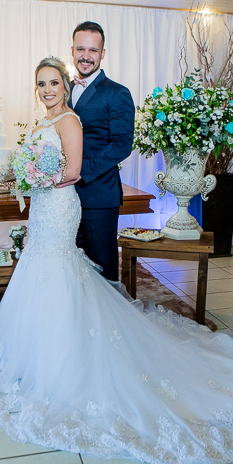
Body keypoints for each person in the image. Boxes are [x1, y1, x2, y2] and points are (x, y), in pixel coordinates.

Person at [0, 56, 233, 464]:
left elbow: (74, 170)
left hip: (59, 204)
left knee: (59, 267)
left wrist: (35, 177)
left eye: (53, 82)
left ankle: (67, 356)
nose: (47, 90)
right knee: (41, 264)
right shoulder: (40, 123)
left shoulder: (69, 121)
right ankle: (37, 352)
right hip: (42, 208)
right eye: (41, 83)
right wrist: (28, 175)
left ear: (65, 86)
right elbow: (41, 165)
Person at [66, 22, 135, 285]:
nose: (86, 56)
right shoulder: (64, 90)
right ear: (72, 50)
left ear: (102, 53)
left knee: (102, 270)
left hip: (99, 195)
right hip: (65, 196)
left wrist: (80, 172)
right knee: (72, 267)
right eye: (80, 49)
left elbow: (121, 145)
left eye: (93, 50)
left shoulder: (117, 93)